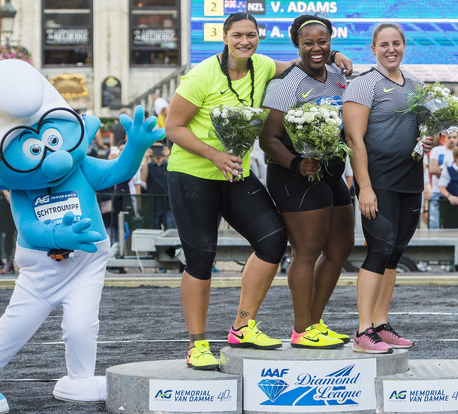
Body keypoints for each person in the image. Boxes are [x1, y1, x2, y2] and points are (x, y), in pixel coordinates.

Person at [165, 12, 353, 369]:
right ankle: (197, 344)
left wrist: (335, 55)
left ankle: (242, 325)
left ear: (258, 38)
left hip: (235, 173)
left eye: (251, 35)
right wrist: (214, 155)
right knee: (201, 259)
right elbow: (173, 127)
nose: (245, 42)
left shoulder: (262, 65)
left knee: (271, 241)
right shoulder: (201, 75)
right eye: (238, 35)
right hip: (192, 174)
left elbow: (305, 57)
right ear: (224, 37)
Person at [259, 15, 354, 349]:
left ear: (330, 41)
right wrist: (297, 164)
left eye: (322, 41)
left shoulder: (339, 75)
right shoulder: (286, 83)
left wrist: (337, 55)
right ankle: (301, 329)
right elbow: (268, 138)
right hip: (294, 175)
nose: (316, 48)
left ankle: (314, 321)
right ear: (296, 45)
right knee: (306, 252)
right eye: (308, 43)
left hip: (330, 171)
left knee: (341, 247)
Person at [343, 23, 434, 353]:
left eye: (396, 43)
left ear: (404, 46)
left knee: (394, 254)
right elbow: (354, 140)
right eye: (384, 44)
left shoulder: (416, 84)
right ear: (373, 48)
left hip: (410, 181)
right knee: (378, 252)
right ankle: (362, 331)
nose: (390, 49)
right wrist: (364, 187)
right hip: (378, 182)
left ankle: (380, 325)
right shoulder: (363, 85)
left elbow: (422, 131)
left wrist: (430, 140)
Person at [140, 141, 173, 230]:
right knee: (154, 229)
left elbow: (174, 174)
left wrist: (168, 156)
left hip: (168, 203)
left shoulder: (168, 164)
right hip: (153, 204)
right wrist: (146, 158)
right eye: (155, 148)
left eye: (160, 148)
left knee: (170, 228)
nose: (158, 150)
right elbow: (143, 178)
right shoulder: (149, 166)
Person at [428, 132, 458, 228]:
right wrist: (452, 173)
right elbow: (432, 169)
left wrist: (441, 170)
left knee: (451, 222)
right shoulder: (437, 150)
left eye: (454, 137)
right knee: (434, 222)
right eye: (449, 137)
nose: (451, 139)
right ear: (445, 139)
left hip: (453, 192)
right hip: (437, 191)